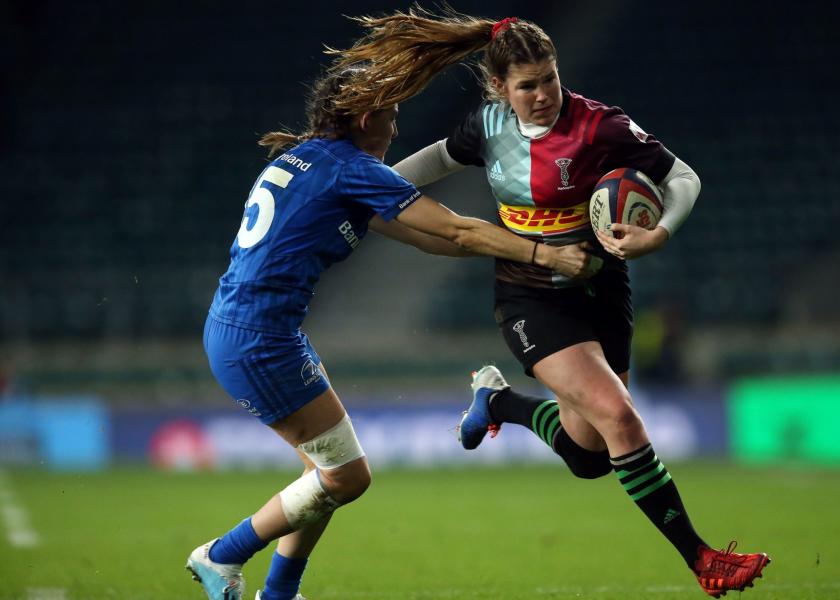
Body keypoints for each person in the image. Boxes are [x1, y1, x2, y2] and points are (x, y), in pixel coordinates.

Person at [331, 8, 771, 598]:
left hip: (603, 290)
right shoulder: (487, 128)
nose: (542, 95)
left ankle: (500, 402)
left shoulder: (600, 126)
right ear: (499, 88)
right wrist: (368, 190)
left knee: (591, 455)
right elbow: (436, 159)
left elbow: (683, 177)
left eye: (550, 79)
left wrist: (657, 233)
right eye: (527, 85)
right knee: (621, 419)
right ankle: (703, 561)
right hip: (529, 297)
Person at [185, 53, 599, 600]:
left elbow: (430, 238)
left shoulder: (310, 159)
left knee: (324, 473)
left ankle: (280, 592)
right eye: (391, 114)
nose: (397, 126)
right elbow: (454, 231)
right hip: (260, 341)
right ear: (364, 120)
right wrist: (544, 255)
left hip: (248, 328)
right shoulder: (351, 169)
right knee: (348, 477)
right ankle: (222, 555)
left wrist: (506, 253)